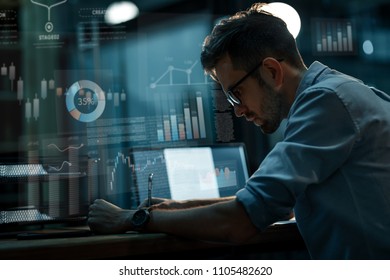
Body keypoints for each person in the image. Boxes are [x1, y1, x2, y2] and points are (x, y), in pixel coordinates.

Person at [88, 2, 390, 259]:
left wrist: (133, 219)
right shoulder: (337, 94)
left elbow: (242, 220)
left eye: (236, 93)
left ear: (272, 71)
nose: (237, 109)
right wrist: (172, 206)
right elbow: (273, 204)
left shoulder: (326, 103)